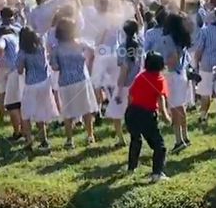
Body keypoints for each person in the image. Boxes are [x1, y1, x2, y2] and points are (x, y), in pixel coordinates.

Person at [50, 17, 99, 148]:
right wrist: (88, 64)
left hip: (65, 82)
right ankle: (90, 135)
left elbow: (54, 67)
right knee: (87, 109)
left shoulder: (57, 49)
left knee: (68, 111)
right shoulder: (80, 44)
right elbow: (93, 51)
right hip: (82, 79)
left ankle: (69, 140)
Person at [125, 52, 170, 182]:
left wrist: (129, 111)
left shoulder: (140, 77)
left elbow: (130, 96)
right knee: (159, 146)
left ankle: (131, 168)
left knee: (135, 140)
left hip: (132, 112)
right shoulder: (159, 79)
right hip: (146, 115)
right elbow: (161, 100)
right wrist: (166, 116)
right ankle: (157, 174)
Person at [17, 26, 59, 151]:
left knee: (25, 113)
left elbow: (19, 70)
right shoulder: (41, 48)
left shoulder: (23, 52)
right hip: (44, 82)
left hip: (31, 83)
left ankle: (29, 140)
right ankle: (44, 139)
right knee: (41, 111)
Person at [156, 11, 193, 150]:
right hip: (181, 74)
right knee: (181, 107)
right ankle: (185, 136)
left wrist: (161, 65)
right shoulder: (182, 38)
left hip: (172, 75)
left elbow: (172, 59)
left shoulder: (168, 39)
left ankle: (178, 140)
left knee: (175, 109)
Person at [106, 19, 142, 147]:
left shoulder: (122, 48)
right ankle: (136, 135)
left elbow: (124, 70)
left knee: (116, 112)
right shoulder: (140, 44)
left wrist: (119, 90)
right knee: (137, 112)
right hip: (138, 83)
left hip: (126, 84)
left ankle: (121, 139)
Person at [193, 7, 216, 126]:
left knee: (205, 93)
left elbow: (199, 49)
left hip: (206, 65)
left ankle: (203, 116)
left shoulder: (205, 31)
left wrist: (196, 63)